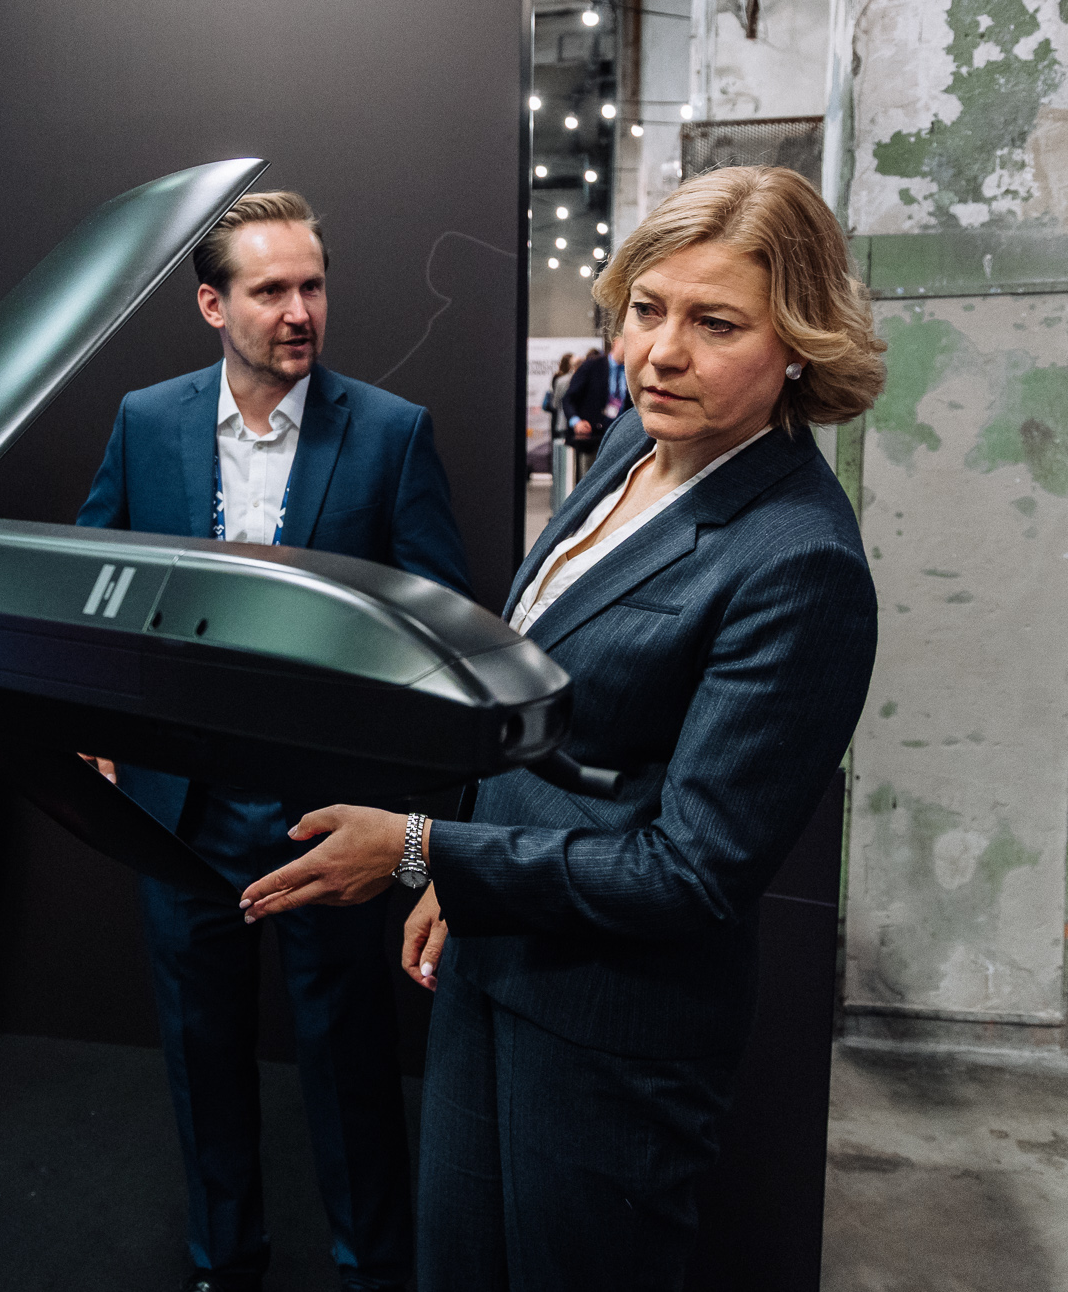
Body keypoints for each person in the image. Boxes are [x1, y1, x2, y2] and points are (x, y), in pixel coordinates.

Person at [237, 166, 884, 1289]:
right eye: (646, 308)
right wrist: (464, 879)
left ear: (798, 343)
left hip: (614, 1030)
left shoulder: (799, 561)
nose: (659, 353)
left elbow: (692, 870)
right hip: (498, 956)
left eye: (715, 323)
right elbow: (545, 730)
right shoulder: (637, 447)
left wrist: (423, 850)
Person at [76, 191, 472, 1292]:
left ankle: (371, 1273)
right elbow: (92, 582)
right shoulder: (145, 421)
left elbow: (440, 633)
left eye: (312, 286)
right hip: (178, 808)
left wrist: (410, 807)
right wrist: (91, 717)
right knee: (201, 1057)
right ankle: (224, 1266)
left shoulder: (390, 432)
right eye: (270, 290)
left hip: (325, 814)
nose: (299, 311)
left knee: (348, 1065)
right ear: (212, 304)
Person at [560, 345, 610, 478]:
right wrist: (576, 422)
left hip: (611, 434)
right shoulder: (590, 368)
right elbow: (567, 399)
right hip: (590, 437)